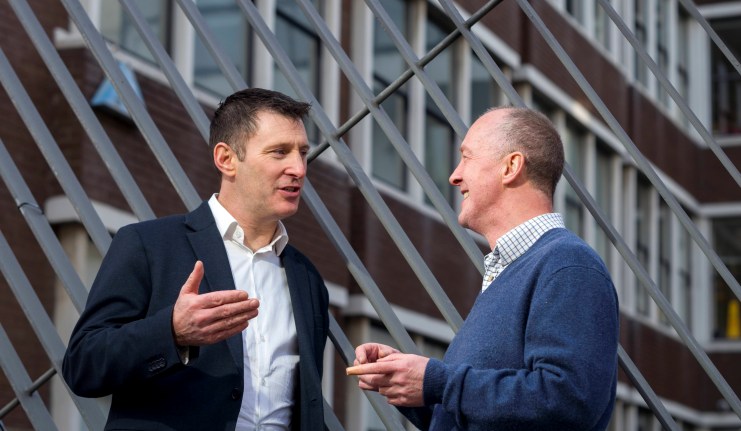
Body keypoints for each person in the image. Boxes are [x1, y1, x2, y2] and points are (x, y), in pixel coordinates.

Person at [63, 88, 329, 430]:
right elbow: (83, 365)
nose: (298, 168)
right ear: (226, 159)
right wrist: (172, 332)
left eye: (303, 153)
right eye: (279, 152)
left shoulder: (306, 277)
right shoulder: (148, 245)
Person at [349, 107, 619, 430]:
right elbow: (484, 413)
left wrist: (438, 382)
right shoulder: (518, 269)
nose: (454, 175)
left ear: (511, 167)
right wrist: (410, 382)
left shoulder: (569, 266)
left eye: (467, 157)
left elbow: (568, 400)